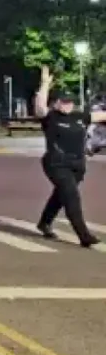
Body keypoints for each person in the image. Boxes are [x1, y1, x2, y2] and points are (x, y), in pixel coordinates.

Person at [33, 66, 104, 248]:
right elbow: (40, 106)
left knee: (61, 195)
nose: (67, 105)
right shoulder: (50, 117)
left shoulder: (80, 116)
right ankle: (84, 236)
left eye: (69, 102)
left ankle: (44, 223)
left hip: (77, 165)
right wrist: (45, 84)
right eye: (63, 102)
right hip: (56, 163)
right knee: (71, 196)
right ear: (55, 103)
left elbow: (101, 115)